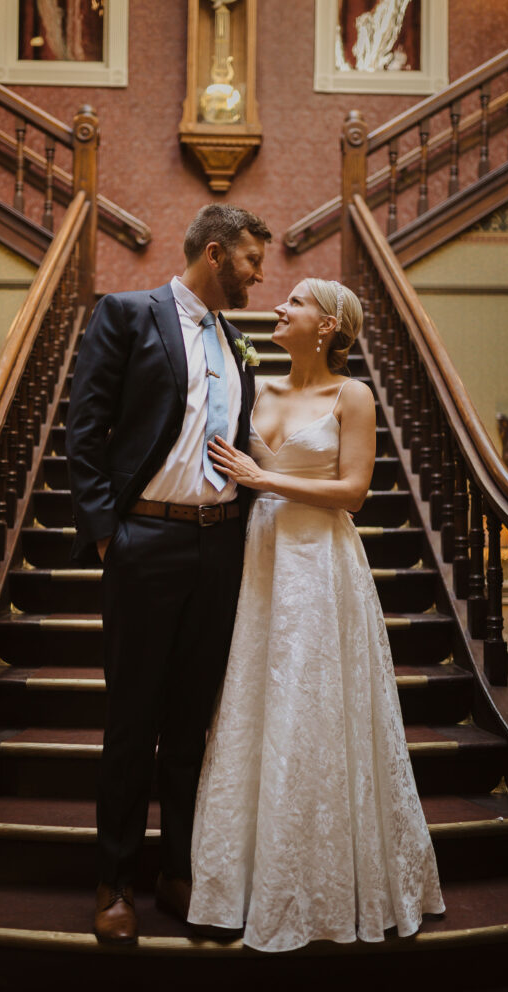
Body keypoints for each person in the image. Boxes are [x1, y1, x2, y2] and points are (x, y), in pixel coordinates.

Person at [187, 277, 445, 952]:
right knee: (253, 703)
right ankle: (243, 880)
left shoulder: (349, 394)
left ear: (328, 325)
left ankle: (325, 881)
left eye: (294, 302)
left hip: (319, 564)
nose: (278, 307)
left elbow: (353, 492)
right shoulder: (255, 386)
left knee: (312, 706)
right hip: (259, 558)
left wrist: (263, 478)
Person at [65, 204, 272, 944]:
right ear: (213, 254)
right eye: (249, 260)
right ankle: (113, 879)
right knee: (133, 722)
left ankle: (178, 870)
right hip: (143, 542)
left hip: (218, 548)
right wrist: (105, 538)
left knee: (191, 724)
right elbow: (83, 433)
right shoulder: (127, 316)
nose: (258, 274)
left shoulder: (235, 338)